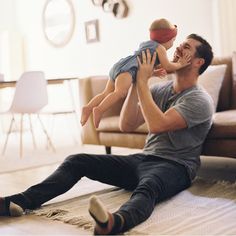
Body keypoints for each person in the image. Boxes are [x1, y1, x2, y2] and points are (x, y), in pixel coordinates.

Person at [0, 33, 214, 235]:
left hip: (176, 166)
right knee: (76, 161)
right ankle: (17, 202)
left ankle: (114, 222)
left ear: (198, 62)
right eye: (180, 43)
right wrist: (138, 78)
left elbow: (158, 124)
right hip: (142, 159)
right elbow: (127, 124)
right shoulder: (161, 90)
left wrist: (142, 83)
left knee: (148, 186)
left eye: (186, 47)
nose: (178, 48)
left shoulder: (199, 99)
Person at [80, 18, 191, 128]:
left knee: (106, 93)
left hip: (121, 65)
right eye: (173, 40)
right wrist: (181, 63)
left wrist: (153, 72)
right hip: (128, 70)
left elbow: (147, 64)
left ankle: (88, 107)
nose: (173, 44)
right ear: (166, 38)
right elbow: (167, 66)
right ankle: (99, 110)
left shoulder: (147, 44)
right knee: (120, 92)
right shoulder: (160, 48)